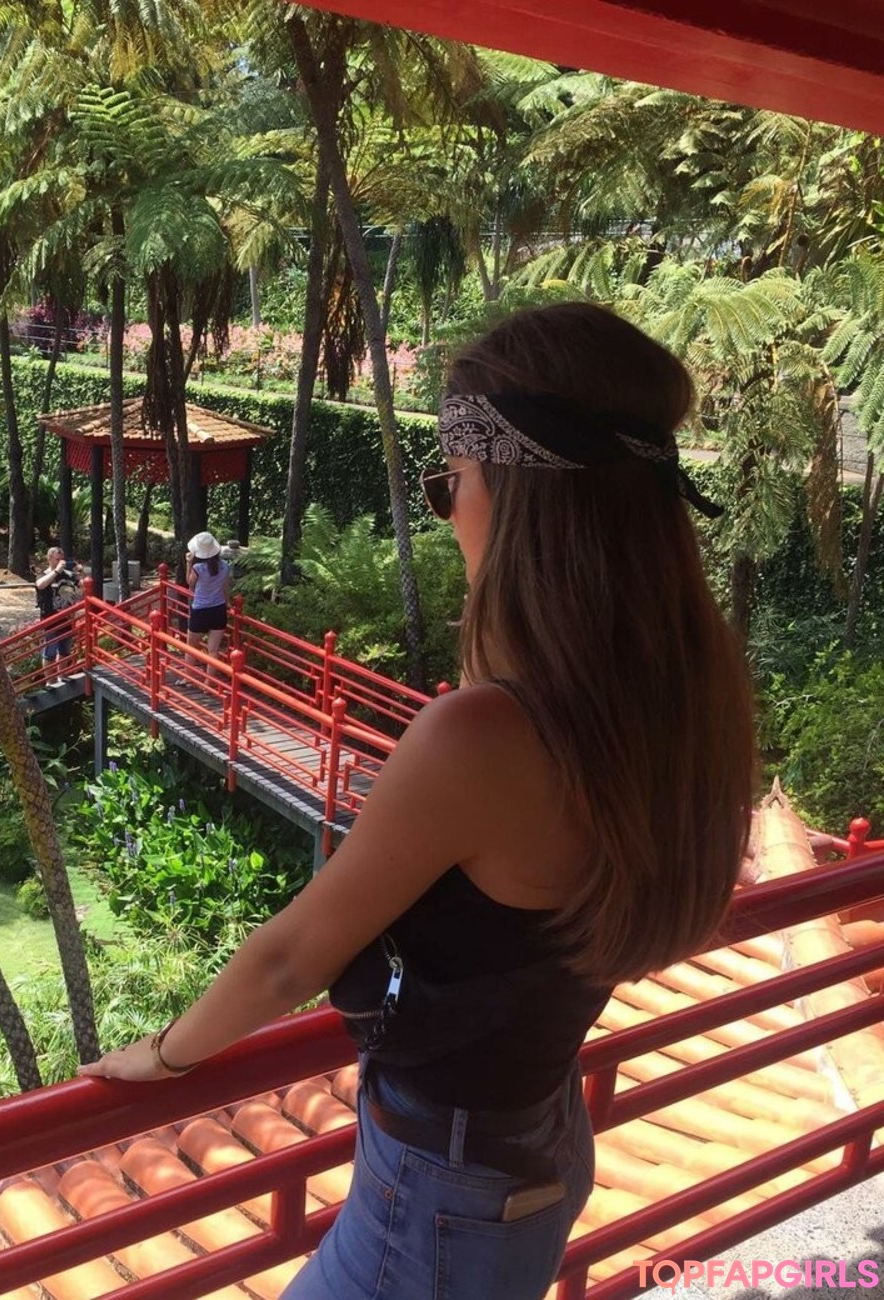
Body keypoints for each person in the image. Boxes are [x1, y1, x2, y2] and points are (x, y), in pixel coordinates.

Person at [77, 304, 756, 1300]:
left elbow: (290, 957)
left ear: (520, 499)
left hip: (443, 1194)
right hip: (534, 1140)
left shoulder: (484, 738)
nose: (446, 510)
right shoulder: (684, 701)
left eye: (453, 481)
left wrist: (166, 1056)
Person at [35, 546, 81, 686]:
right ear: (49, 559)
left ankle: (62, 676)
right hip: (50, 619)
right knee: (50, 652)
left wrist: (80, 573)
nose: (61, 562)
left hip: (66, 618)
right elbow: (40, 585)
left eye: (62, 559)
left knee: (65, 650)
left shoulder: (68, 575)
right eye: (57, 559)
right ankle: (50, 681)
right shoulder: (44, 574)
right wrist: (56, 571)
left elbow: (81, 590)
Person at [185, 531, 231, 664]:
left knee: (191, 648)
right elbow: (225, 587)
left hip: (200, 610)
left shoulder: (198, 568)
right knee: (213, 650)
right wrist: (227, 603)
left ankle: (188, 675)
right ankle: (209, 677)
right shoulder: (225, 566)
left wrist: (189, 563)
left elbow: (190, 583)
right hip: (219, 609)